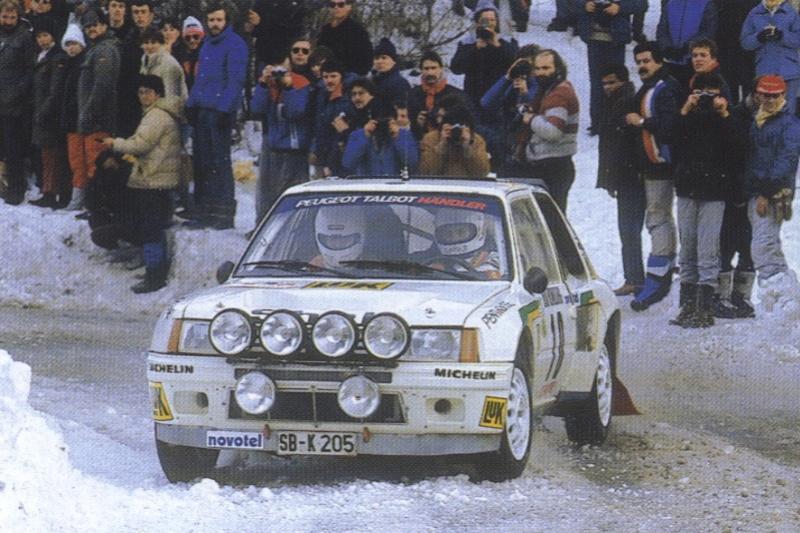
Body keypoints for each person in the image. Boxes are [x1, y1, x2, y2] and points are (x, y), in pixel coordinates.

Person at [669, 72, 742, 328]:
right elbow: (671, 138)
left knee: (708, 249)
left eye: (712, 92)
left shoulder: (727, 118)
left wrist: (724, 114)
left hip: (714, 192)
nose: (707, 97)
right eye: (702, 92)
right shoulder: (688, 116)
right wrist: (686, 109)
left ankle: (705, 308)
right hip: (688, 188)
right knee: (687, 247)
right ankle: (687, 306)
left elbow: (738, 147)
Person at [101, 75, 183, 293]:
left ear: (157, 94)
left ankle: (155, 276)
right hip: (156, 178)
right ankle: (153, 270)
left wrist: (114, 143)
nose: (143, 96)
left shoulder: (156, 116)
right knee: (151, 228)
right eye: (140, 92)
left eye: (148, 92)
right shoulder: (156, 113)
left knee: (151, 230)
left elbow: (141, 145)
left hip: (154, 180)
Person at [625, 41, 681, 311]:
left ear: (659, 61)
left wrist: (643, 122)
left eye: (646, 60)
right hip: (651, 165)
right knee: (658, 218)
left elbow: (671, 127)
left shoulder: (665, 88)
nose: (642, 66)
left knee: (659, 218)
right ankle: (662, 268)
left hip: (665, 165)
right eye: (638, 61)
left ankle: (659, 275)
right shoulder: (649, 87)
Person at [184, 3, 248, 230]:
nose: (214, 24)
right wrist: (190, 104)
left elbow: (235, 81)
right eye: (211, 20)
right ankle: (202, 212)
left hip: (219, 111)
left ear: (226, 21)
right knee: (201, 162)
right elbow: (200, 79)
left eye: (219, 20)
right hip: (202, 109)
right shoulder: (207, 45)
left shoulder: (235, 44)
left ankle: (222, 215)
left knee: (218, 163)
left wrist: (224, 109)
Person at [744, 74, 800, 315]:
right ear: (757, 95)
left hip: (773, 193)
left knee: (763, 246)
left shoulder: (789, 125)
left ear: (783, 95)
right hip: (754, 190)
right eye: (764, 94)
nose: (768, 99)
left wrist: (766, 193)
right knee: (769, 245)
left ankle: (778, 299)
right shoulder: (756, 119)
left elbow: (785, 162)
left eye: (774, 95)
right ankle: (785, 299)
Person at [595, 64, 644, 296]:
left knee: (629, 229)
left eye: (612, 82)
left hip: (630, 176)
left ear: (623, 81)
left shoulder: (626, 103)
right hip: (626, 176)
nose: (608, 88)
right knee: (630, 229)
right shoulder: (618, 103)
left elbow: (618, 146)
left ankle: (635, 278)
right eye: (605, 83)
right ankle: (636, 276)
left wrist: (611, 177)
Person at [65, 9, 120, 212]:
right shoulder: (95, 48)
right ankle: (90, 203)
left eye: (95, 24)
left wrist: (88, 113)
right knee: (88, 161)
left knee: (96, 163)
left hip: (98, 119)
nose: (91, 29)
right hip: (90, 118)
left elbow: (102, 86)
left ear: (104, 26)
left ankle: (97, 206)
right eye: (87, 26)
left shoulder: (105, 50)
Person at [250, 61, 312, 224]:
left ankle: (291, 226)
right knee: (267, 190)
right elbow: (256, 109)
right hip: (273, 144)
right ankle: (264, 226)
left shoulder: (301, 82)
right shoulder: (269, 84)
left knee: (290, 191)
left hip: (293, 147)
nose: (279, 74)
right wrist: (263, 84)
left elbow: (295, 111)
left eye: (282, 70)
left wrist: (289, 88)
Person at [518, 49, 579, 212]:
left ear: (557, 69)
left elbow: (553, 131)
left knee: (552, 224)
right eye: (537, 69)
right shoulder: (548, 90)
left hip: (554, 165)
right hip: (551, 163)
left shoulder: (558, 93)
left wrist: (531, 119)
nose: (540, 73)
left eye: (546, 68)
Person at [573, 0, 643, 134]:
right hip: (593, 39)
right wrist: (584, 5)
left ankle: (618, 119)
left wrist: (620, 7)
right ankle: (597, 122)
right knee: (596, 83)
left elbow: (641, 4)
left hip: (616, 40)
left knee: (618, 83)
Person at [480, 44, 540, 176]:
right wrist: (507, 77)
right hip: (506, 144)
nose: (526, 69)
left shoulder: (541, 84)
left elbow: (536, 106)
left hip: (530, 148)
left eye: (530, 64)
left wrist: (525, 92)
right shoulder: (511, 83)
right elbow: (486, 102)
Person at [30, 15, 70, 209]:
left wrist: (43, 112)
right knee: (47, 155)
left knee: (52, 156)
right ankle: (49, 190)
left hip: (49, 116)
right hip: (41, 112)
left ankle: (51, 192)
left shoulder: (57, 58)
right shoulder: (42, 55)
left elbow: (55, 91)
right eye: (39, 36)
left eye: (45, 35)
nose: (42, 40)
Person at [450, 0, 517, 110]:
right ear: (477, 22)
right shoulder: (467, 42)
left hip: (500, 96)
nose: (489, 23)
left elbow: (514, 63)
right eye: (485, 20)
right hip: (473, 96)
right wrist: (475, 48)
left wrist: (498, 45)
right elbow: (456, 68)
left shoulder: (508, 41)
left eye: (492, 20)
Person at [0, 0, 36, 205]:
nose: (8, 21)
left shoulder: (24, 37)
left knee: (13, 148)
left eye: (12, 17)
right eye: (4, 17)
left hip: (13, 104)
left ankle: (16, 187)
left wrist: (15, 94)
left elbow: (29, 71)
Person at [740, 0, 800, 114]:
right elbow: (745, 42)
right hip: (764, 70)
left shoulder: (791, 12)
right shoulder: (754, 13)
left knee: (787, 113)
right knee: (765, 113)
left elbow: (797, 39)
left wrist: (782, 35)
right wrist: (759, 37)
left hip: (788, 72)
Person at [342, 104, 419, 175]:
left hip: (395, 184)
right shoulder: (357, 135)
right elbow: (348, 164)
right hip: (366, 185)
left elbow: (412, 163)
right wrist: (364, 135)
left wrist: (398, 137)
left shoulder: (404, 135)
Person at [407, 51, 468, 140]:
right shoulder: (413, 95)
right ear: (421, 70)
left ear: (441, 69)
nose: (430, 72)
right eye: (426, 69)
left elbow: (466, 122)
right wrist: (418, 124)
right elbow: (407, 126)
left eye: (433, 68)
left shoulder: (456, 95)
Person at [656, 0, 717, 89]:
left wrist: (689, 47)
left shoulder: (706, 4)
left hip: (693, 61)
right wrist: (666, 47)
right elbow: (662, 28)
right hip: (671, 60)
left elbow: (708, 30)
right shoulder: (671, 3)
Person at [309, 59, 355, 178]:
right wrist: (315, 149)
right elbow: (318, 127)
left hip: (340, 157)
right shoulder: (321, 95)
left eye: (333, 76)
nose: (329, 80)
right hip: (323, 154)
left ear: (341, 77)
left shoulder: (349, 98)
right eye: (326, 77)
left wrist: (331, 162)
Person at [419, 104, 490, 177]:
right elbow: (426, 172)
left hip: (466, 185)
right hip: (440, 185)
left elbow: (482, 173)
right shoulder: (431, 138)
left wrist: (467, 148)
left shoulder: (476, 140)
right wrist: (442, 146)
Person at [430, 209, 502, 279]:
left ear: (480, 230)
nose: (455, 238)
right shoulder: (429, 259)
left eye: (461, 232)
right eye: (448, 234)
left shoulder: (497, 259)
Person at [59, 23, 85, 210]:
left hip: (81, 119)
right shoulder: (66, 65)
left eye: (74, 43)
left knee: (82, 160)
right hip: (70, 120)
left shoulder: (83, 65)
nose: (71, 48)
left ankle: (81, 197)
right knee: (75, 160)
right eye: (68, 44)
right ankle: (76, 195)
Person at [713, 0, 759, 104]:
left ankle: (748, 116)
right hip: (725, 49)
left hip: (748, 52)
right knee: (728, 90)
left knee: (750, 90)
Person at [317, 0, 373, 76]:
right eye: (332, 4)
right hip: (326, 77)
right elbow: (318, 55)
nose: (336, 7)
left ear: (349, 7)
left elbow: (367, 61)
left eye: (341, 4)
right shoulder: (325, 30)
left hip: (348, 79)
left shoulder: (357, 31)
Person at [247, 0, 307, 68]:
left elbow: (293, 30)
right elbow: (249, 29)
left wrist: (261, 23)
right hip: (262, 53)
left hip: (285, 55)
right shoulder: (261, 2)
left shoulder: (299, 4)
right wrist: (253, 24)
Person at [139, 26, 187, 101]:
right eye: (146, 42)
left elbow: (172, 97)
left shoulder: (169, 63)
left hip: (169, 107)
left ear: (161, 43)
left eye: (153, 42)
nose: (149, 46)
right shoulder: (145, 60)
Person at [370, 37, 410, 106]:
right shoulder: (372, 81)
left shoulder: (400, 84)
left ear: (393, 61)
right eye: (376, 58)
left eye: (384, 57)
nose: (380, 61)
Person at [177, 15, 203, 92]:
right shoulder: (179, 56)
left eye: (196, 36)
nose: (192, 40)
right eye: (188, 37)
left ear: (201, 37)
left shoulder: (209, 54)